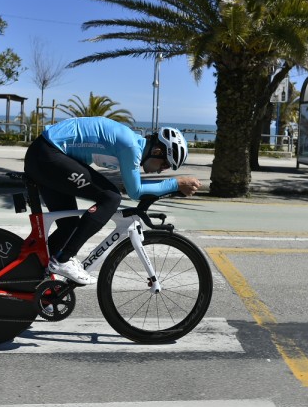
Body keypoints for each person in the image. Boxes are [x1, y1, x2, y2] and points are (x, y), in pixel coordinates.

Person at [24, 117, 200, 285]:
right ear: (157, 151)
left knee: (69, 227)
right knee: (111, 198)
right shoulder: (130, 147)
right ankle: (64, 259)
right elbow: (136, 191)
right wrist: (176, 183)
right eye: (165, 165)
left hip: (44, 154)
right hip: (48, 154)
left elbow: (132, 185)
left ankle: (31, 271)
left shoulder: (131, 145)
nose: (162, 171)